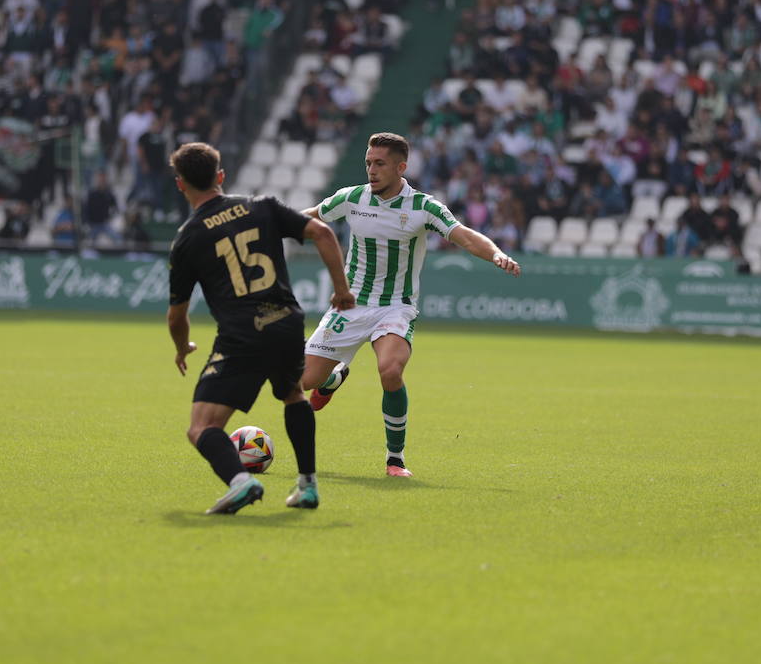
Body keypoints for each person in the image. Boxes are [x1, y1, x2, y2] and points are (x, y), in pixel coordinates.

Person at [298, 132, 521, 478]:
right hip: (350, 305)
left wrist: (496, 254)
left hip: (394, 308)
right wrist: (264, 223)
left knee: (390, 371)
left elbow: (463, 235)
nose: (371, 169)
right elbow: (308, 218)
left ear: (401, 167)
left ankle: (395, 458)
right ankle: (331, 379)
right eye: (368, 162)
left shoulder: (423, 207)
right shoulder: (352, 197)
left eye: (380, 163)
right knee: (301, 382)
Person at [166, 142, 354, 515]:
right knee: (293, 396)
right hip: (286, 322)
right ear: (220, 176)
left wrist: (182, 345)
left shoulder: (188, 238)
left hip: (242, 334)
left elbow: (177, 314)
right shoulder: (262, 206)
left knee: (201, 427)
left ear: (180, 185)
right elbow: (324, 233)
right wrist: (342, 290)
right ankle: (307, 486)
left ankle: (240, 482)